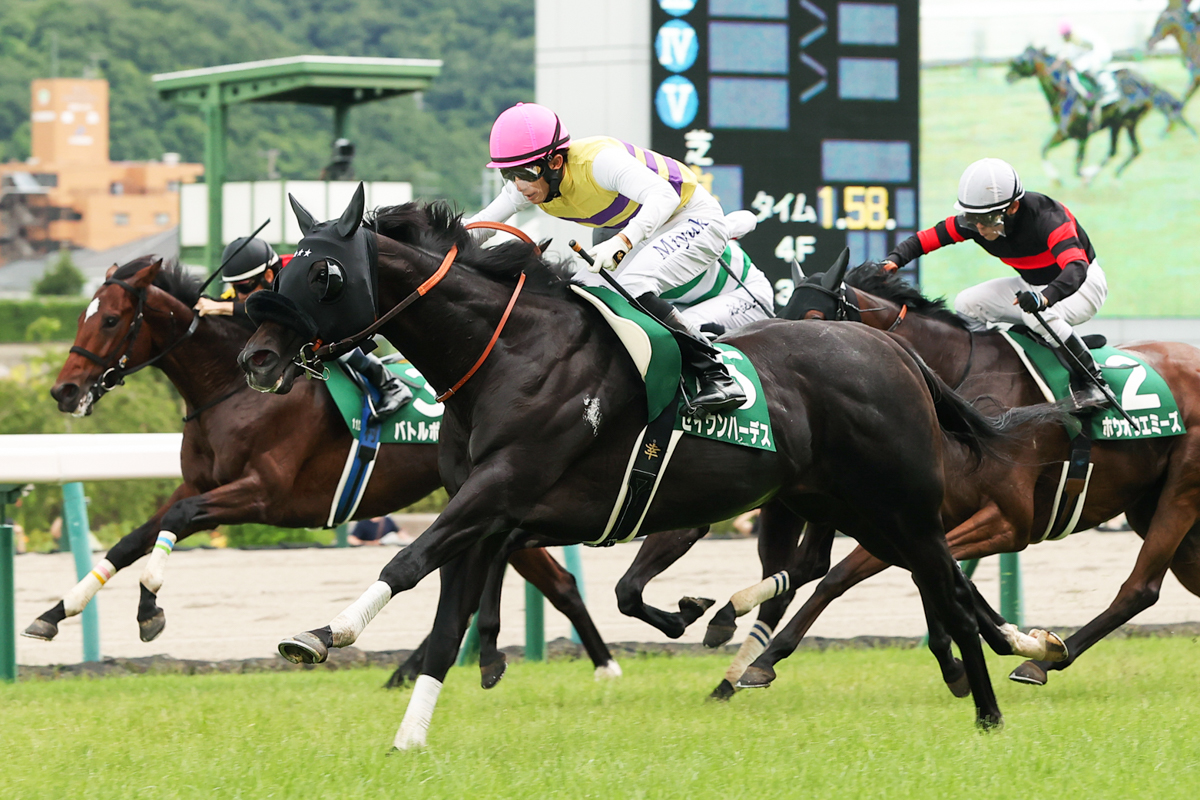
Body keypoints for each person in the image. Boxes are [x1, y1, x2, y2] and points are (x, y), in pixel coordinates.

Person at [466, 102, 776, 416]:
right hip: (653, 230)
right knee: (582, 293)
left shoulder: (598, 162)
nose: (519, 185)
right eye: (509, 174)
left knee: (633, 282)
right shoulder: (529, 184)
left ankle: (717, 374)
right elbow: (478, 229)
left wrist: (623, 241)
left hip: (693, 218)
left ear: (556, 161)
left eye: (525, 173)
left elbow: (665, 196)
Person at [881, 157, 1110, 411]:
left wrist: (1044, 298)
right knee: (967, 303)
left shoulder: (1048, 217)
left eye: (987, 219)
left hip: (1083, 285)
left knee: (1034, 315)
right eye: (972, 218)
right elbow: (929, 237)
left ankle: (1094, 383)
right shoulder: (977, 220)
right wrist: (894, 260)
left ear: (1012, 207)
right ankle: (985, 370)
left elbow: (1076, 268)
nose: (978, 227)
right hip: (1032, 285)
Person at [195, 236, 412, 421]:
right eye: (234, 287)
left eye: (243, 287)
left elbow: (262, 308)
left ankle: (390, 384)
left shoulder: (292, 275)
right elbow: (233, 304)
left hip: (343, 317)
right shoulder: (258, 283)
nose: (239, 294)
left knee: (332, 344)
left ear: (268, 276)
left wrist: (221, 307)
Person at [1054, 20, 1117, 116]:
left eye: (1065, 35)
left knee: (1081, 67)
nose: (1064, 38)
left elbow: (1089, 47)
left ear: (1069, 33)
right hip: (1090, 52)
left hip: (1100, 51)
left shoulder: (1079, 35)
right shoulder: (1072, 38)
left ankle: (1105, 91)